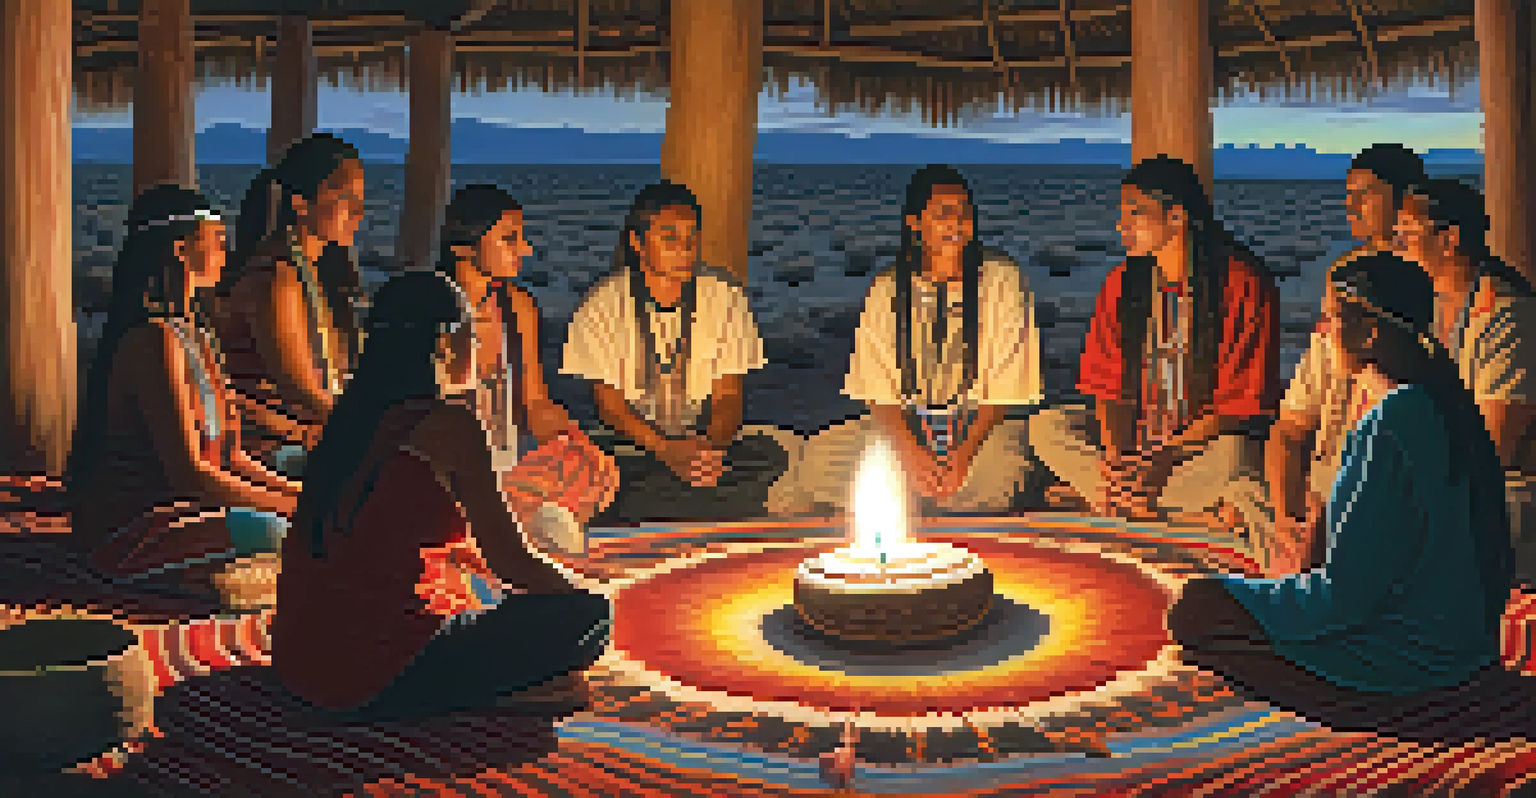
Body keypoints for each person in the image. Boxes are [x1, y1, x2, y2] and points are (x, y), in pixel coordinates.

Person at [1169, 252, 1513, 705]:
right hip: (1468, 650)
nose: (1324, 332)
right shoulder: (1446, 403)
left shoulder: (1391, 421)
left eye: (1331, 318)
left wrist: (1264, 592)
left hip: (1406, 666)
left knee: (1193, 609)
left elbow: (1343, 600)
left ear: (1370, 332)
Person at [273, 271, 611, 720]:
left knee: (481, 594)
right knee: (590, 616)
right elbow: (511, 562)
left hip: (299, 664)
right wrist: (574, 594)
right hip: (372, 675)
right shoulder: (450, 427)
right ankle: (502, 695)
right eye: (473, 334)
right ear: (446, 343)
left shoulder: (349, 418)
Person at [1030, 155, 1280, 554]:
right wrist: (1115, 459)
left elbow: (1239, 405)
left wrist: (1162, 460)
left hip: (1196, 450)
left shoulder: (1242, 283)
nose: (1121, 225)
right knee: (1046, 427)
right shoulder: (1120, 284)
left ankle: (1111, 502)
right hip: (1135, 446)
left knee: (1235, 456)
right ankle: (1155, 506)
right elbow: (1107, 385)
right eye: (1122, 214)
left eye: (1136, 213)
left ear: (1177, 217)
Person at [768, 164, 1042, 515]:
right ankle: (917, 493)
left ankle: (930, 501)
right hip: (908, 425)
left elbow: (1006, 384)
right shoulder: (887, 288)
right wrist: (911, 452)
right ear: (915, 222)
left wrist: (962, 454)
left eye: (964, 212)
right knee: (817, 466)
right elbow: (877, 386)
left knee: (999, 481)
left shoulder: (1002, 279)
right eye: (944, 213)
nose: (956, 222)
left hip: (979, 427)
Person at [67, 185, 299, 597]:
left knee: (304, 519)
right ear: (180, 249)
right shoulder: (151, 339)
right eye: (217, 242)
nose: (227, 254)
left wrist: (304, 498)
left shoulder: (197, 334)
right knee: (280, 533)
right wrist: (298, 511)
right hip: (140, 520)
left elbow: (232, 457)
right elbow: (189, 473)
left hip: (192, 502)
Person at [560, 180, 795, 523]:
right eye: (669, 238)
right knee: (599, 473)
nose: (684, 248)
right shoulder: (602, 303)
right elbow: (609, 407)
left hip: (704, 442)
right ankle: (691, 506)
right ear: (638, 243)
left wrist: (708, 451)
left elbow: (728, 396)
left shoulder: (724, 296)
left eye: (691, 237)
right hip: (636, 444)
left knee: (770, 457)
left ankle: (674, 503)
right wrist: (667, 450)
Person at [1265, 143, 1428, 575]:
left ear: (1406, 198)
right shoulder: (1337, 309)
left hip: (1382, 488)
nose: (1350, 204)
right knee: (1254, 494)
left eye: (1366, 193)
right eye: (1348, 193)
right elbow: (1289, 427)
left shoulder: (1424, 309)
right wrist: (1287, 515)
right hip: (1325, 482)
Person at [435, 184, 619, 542]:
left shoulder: (519, 308)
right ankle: (513, 525)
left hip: (508, 468)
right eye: (510, 239)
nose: (526, 250)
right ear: (463, 247)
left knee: (585, 463)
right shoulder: (427, 309)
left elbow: (535, 403)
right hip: (443, 471)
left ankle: (517, 519)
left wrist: (574, 438)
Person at [212, 133, 366, 474]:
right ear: (300, 203)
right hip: (264, 445)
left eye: (360, 199)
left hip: (301, 433)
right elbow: (300, 393)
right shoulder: (275, 277)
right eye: (344, 197)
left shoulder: (309, 272)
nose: (358, 211)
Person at [1393, 177, 1536, 471]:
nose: (1396, 247)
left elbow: (1492, 451)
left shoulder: (1508, 317)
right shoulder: (1422, 307)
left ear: (1449, 240)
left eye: (1406, 234)